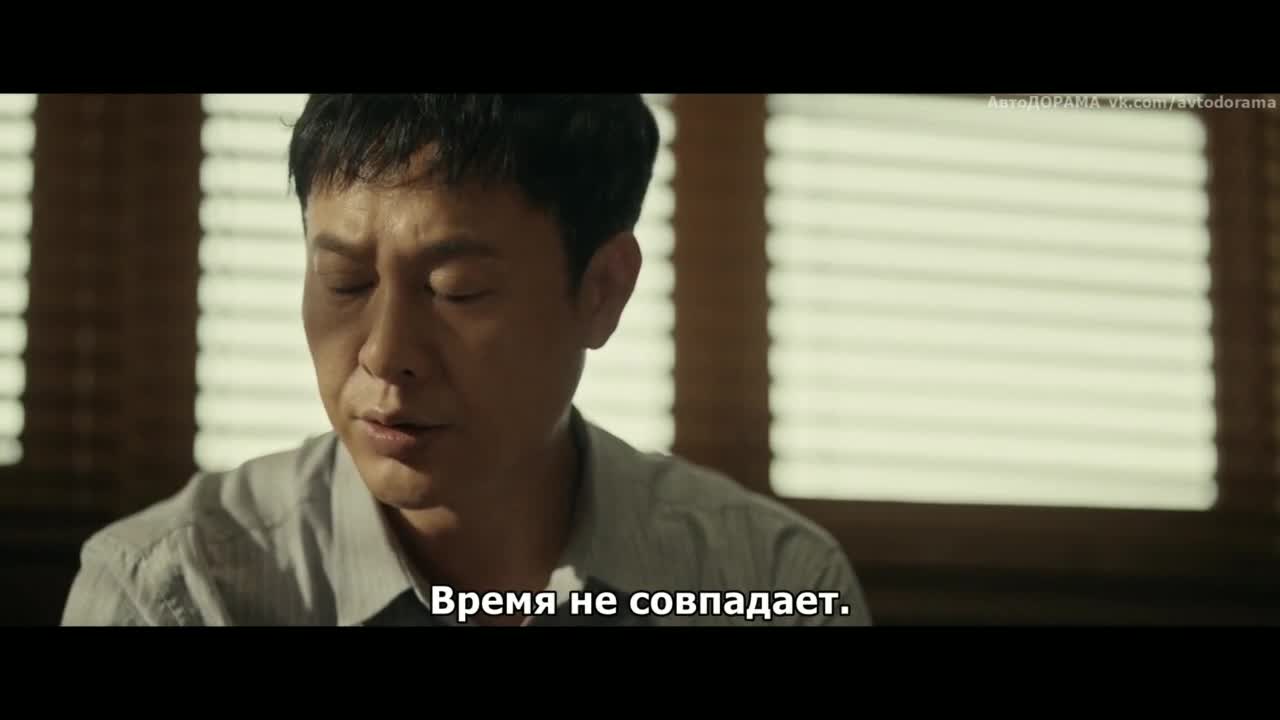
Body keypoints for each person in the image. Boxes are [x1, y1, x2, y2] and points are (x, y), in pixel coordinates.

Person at [60, 94, 871, 627]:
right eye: (345, 282)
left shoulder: (767, 582)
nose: (385, 354)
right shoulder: (175, 590)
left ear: (601, 291)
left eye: (457, 291)